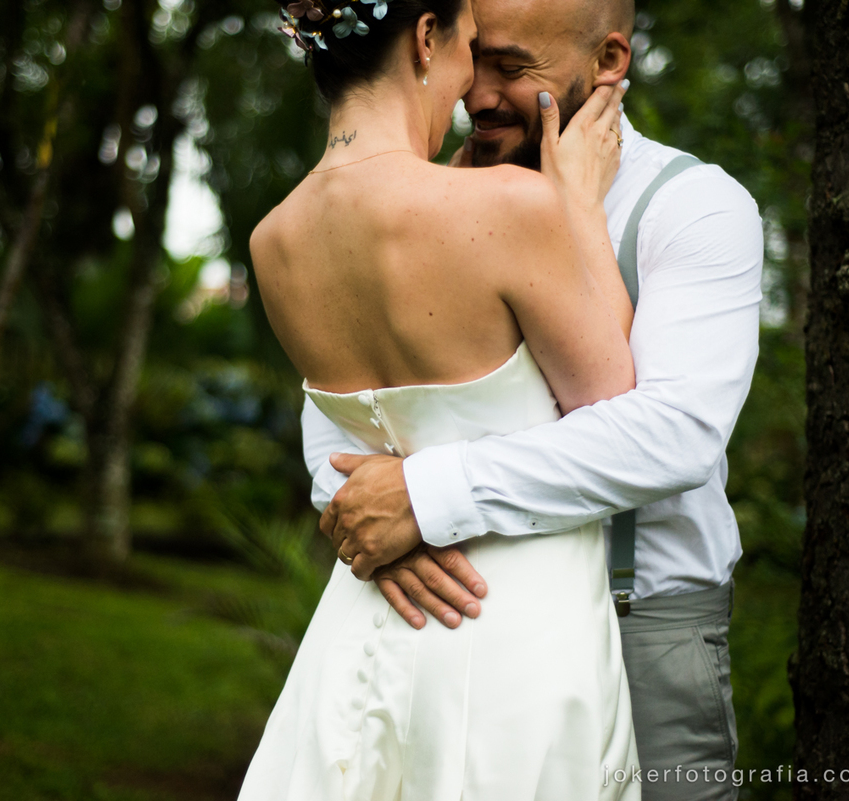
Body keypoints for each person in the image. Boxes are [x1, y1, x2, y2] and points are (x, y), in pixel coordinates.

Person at [308, 0, 765, 798]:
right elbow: (339, 405)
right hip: (438, 615)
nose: (476, 94)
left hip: (640, 625)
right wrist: (374, 518)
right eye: (473, 57)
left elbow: (672, 434)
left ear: (610, 61)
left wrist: (424, 495)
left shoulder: (691, 207)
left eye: (513, 68)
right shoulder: (419, 195)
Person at [237, 0, 643, 796]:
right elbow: (614, 407)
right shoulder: (508, 209)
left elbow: (343, 433)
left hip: (367, 616)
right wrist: (580, 206)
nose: (469, 88)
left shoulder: (273, 240)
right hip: (509, 627)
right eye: (467, 48)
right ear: (426, 38)